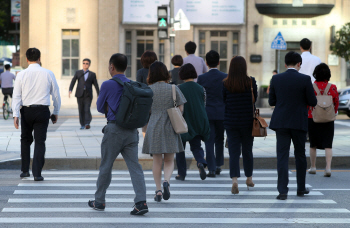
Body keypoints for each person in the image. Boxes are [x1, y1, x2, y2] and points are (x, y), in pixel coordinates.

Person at [88, 53, 148, 215]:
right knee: (135, 166)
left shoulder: (108, 85)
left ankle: (99, 201)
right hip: (131, 131)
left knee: (106, 165)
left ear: (111, 67)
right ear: (126, 67)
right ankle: (141, 202)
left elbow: (100, 107)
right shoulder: (133, 84)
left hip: (114, 129)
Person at [269, 51, 317, 200]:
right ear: (299, 64)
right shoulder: (305, 79)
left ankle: (282, 191)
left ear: (285, 64)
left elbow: (271, 102)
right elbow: (313, 101)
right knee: (300, 155)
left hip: (281, 122)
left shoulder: (276, 79)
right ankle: (301, 188)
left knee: (282, 156)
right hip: (298, 121)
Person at [12, 48, 61, 181]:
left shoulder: (21, 75)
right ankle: (37, 173)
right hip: (42, 111)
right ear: (39, 58)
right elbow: (55, 94)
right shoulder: (48, 73)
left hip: (26, 111)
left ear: (27, 59)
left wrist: (15, 114)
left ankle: (24, 171)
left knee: (25, 140)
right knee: (40, 142)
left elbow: (16, 96)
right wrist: (56, 112)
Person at [142, 61, 186, 202]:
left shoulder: (148, 90)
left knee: (156, 161)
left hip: (154, 126)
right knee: (169, 160)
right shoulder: (173, 88)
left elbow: (146, 111)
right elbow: (181, 109)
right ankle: (166, 181)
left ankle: (158, 190)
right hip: (170, 127)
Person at [223, 56, 257, 194]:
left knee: (234, 152)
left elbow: (224, 100)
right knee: (247, 150)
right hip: (248, 122)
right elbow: (255, 99)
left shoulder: (225, 83)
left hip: (231, 122)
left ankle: (235, 181)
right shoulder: (250, 82)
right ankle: (249, 178)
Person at [175, 63, 210, 181]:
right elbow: (203, 104)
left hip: (183, 121)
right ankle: (200, 162)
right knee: (196, 146)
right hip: (198, 121)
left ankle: (181, 173)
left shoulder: (179, 88)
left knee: (180, 149)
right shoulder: (201, 88)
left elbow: (176, 106)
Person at [197, 50, 227, 177]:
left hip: (207, 112)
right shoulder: (225, 77)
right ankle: (219, 164)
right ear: (219, 62)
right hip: (222, 112)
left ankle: (212, 168)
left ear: (207, 63)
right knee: (220, 139)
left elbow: (199, 96)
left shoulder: (202, 78)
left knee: (209, 140)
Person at [307, 63, 339, 177]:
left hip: (312, 117)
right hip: (328, 118)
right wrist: (333, 112)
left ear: (315, 74)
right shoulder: (333, 87)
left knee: (313, 144)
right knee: (328, 144)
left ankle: (313, 167)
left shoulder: (311, 86)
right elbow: (336, 103)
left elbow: (307, 102)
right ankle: (328, 168)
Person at [69, 58, 99, 130]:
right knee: (81, 109)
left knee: (87, 108)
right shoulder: (78, 72)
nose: (85, 65)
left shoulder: (92, 74)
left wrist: (99, 93)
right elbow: (73, 81)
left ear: (89, 65)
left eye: (87, 63)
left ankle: (87, 123)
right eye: (84, 63)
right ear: (82, 64)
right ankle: (82, 124)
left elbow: (96, 84)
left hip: (88, 94)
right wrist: (70, 89)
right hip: (80, 94)